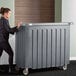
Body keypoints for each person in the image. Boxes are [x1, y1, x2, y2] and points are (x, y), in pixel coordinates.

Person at [0, 7, 22, 73]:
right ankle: (11, 69)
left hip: (1, 40)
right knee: (11, 53)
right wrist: (17, 27)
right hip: (2, 41)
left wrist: (16, 28)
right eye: (9, 13)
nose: (10, 15)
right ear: (5, 13)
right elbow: (9, 30)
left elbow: (8, 29)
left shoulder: (3, 19)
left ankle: (10, 69)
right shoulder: (4, 20)